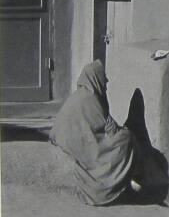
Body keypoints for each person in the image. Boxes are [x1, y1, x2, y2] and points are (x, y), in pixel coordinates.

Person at [50, 60, 142, 205]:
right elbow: (105, 127)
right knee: (125, 139)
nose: (106, 80)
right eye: (102, 75)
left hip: (72, 137)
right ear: (94, 77)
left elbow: (100, 123)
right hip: (77, 141)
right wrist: (121, 132)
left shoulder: (86, 94)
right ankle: (111, 187)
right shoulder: (89, 98)